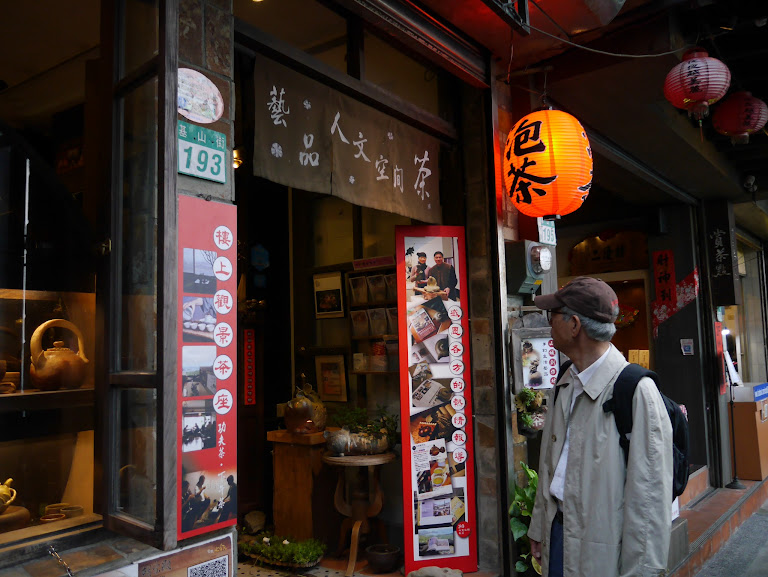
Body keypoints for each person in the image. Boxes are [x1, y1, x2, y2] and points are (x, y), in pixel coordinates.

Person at [528, 276, 672, 577]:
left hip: (603, 548)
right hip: (558, 532)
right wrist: (540, 527)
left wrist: (641, 572)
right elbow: (549, 464)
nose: (549, 323)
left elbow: (650, 500)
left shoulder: (636, 391)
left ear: (574, 325)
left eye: (553, 315)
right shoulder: (566, 380)